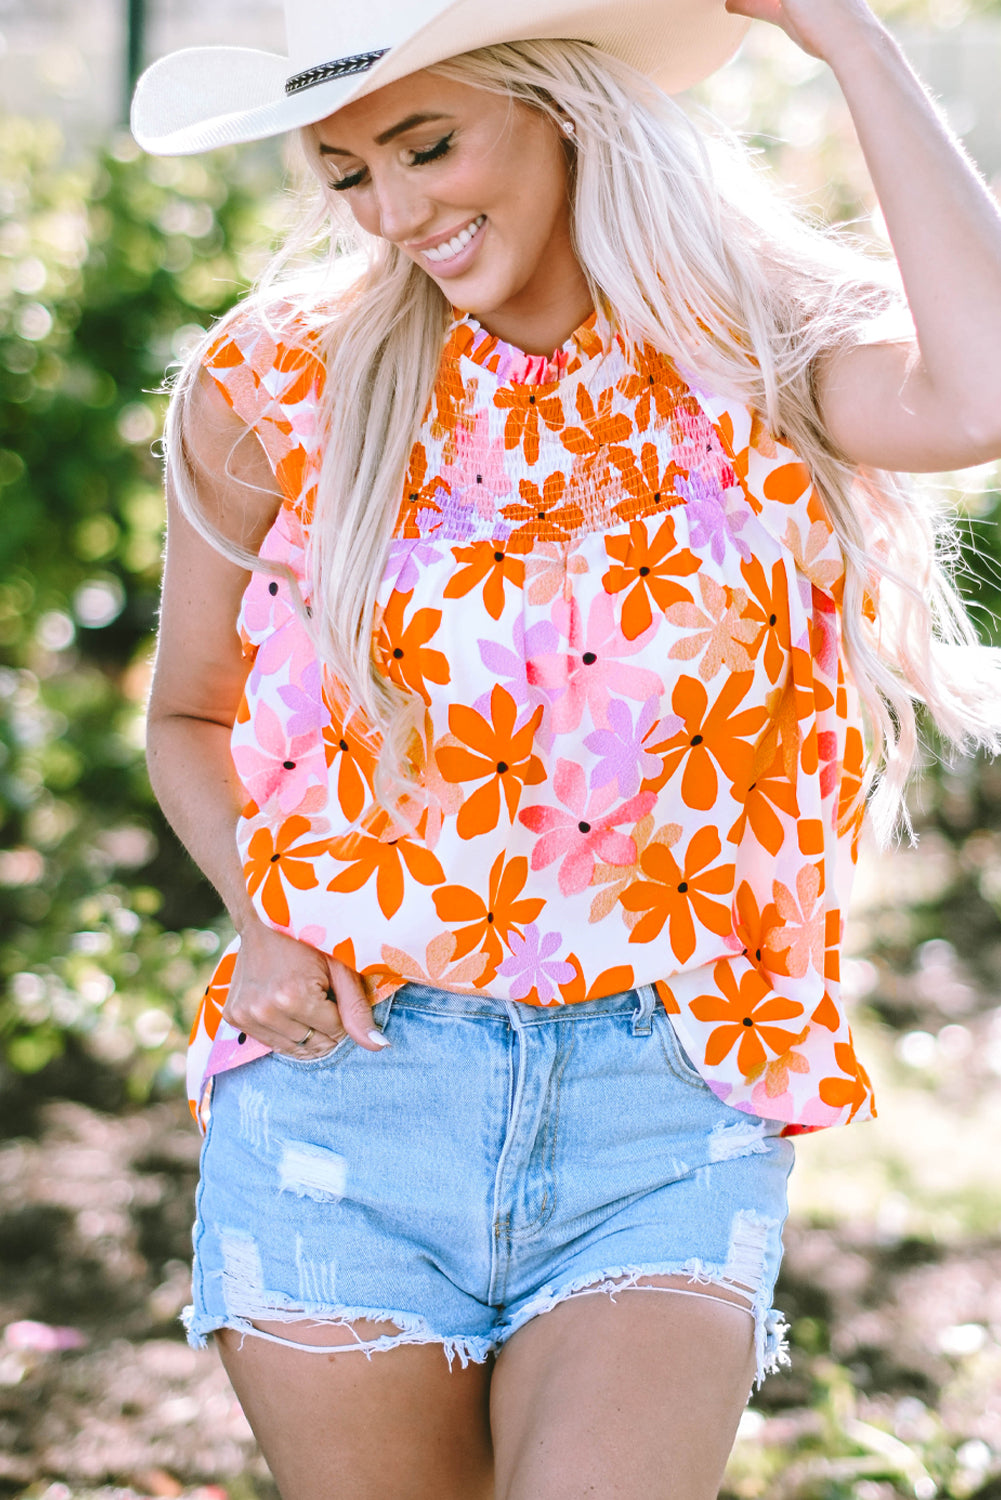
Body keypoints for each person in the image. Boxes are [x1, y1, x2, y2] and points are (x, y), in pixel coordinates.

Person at [131, 0, 1001, 1494]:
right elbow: (185, 715)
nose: (395, 213)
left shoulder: (761, 356)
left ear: (563, 107)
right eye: (345, 171)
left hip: (663, 1095)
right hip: (351, 1084)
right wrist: (263, 924)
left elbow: (979, 396)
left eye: (427, 143)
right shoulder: (279, 380)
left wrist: (853, 42)